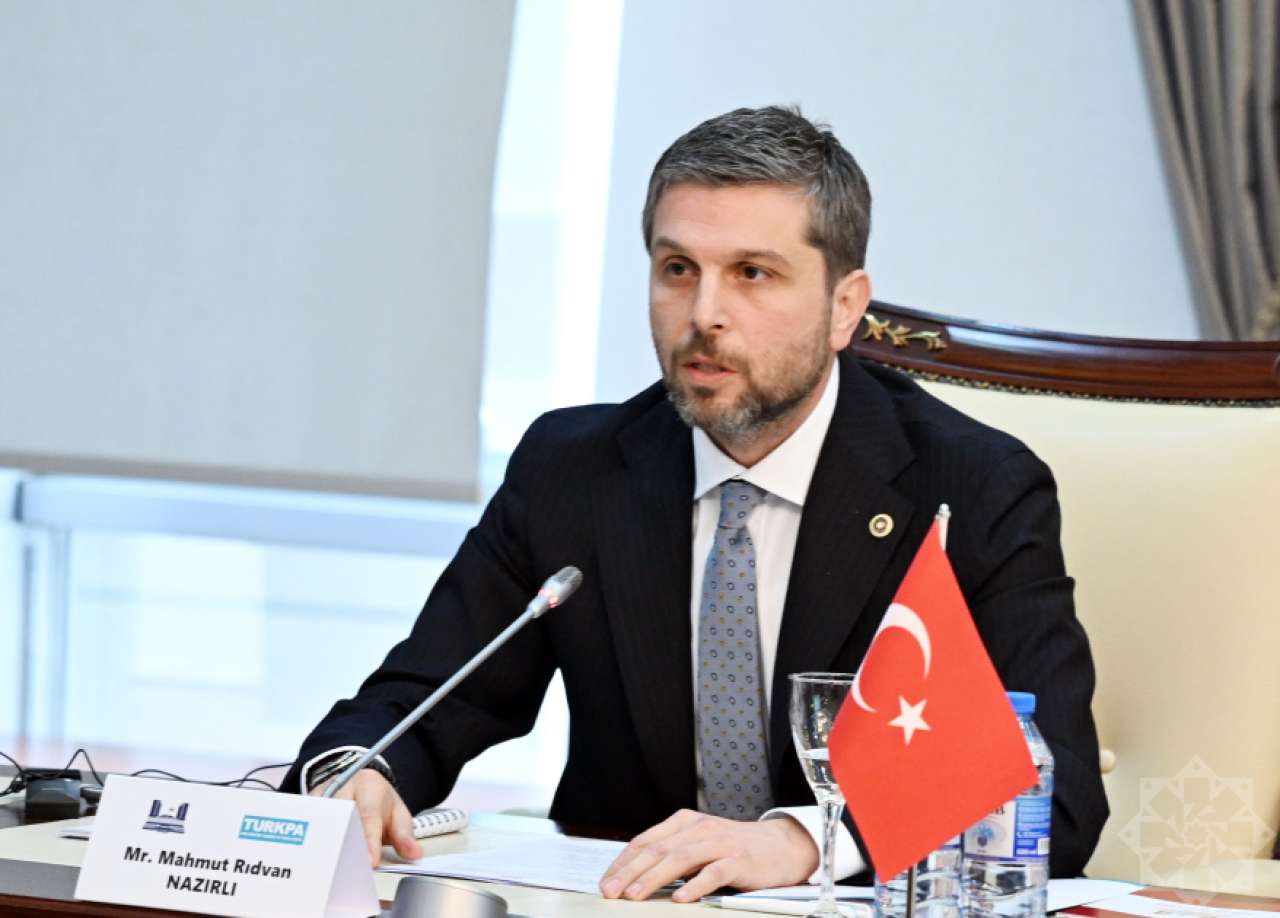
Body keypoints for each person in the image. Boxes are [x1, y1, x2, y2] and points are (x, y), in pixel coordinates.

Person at [282, 105, 1108, 902]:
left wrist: (803, 841)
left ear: (844, 307)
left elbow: (1055, 795)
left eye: (753, 274)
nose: (704, 315)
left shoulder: (971, 488)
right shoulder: (573, 470)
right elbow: (426, 700)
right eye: (679, 269)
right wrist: (357, 774)